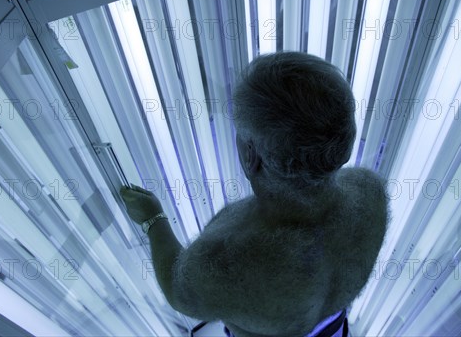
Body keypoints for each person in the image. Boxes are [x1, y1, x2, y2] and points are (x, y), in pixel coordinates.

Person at [121, 52, 389, 337]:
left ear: (251, 156)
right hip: (333, 328)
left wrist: (154, 219)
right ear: (343, 142)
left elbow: (179, 292)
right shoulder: (369, 192)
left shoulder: (227, 260)